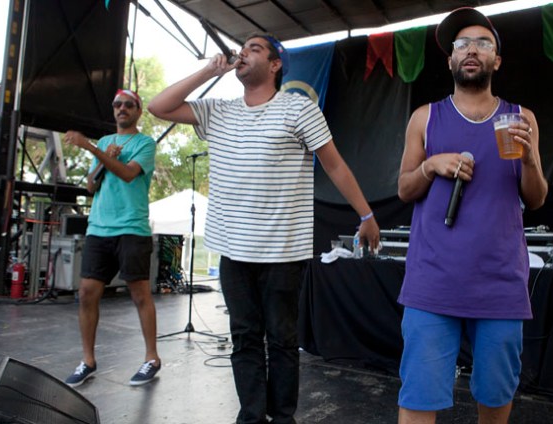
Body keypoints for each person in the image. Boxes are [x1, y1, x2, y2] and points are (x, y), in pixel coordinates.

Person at [147, 33, 380, 423]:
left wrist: (367, 215)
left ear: (275, 65)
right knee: (244, 338)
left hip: (282, 252)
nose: (243, 53)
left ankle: (283, 418)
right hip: (233, 251)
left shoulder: (298, 108)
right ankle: (252, 417)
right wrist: (208, 71)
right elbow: (158, 106)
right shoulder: (218, 111)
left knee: (283, 340)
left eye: (254, 49)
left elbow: (334, 164)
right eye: (243, 48)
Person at [396, 7, 548, 424]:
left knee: (496, 397)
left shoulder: (522, 118)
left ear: (496, 60)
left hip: (500, 282)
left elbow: (536, 199)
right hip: (432, 281)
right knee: (419, 395)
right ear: (450, 59)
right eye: (461, 44)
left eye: (483, 43)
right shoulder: (425, 117)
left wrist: (530, 160)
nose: (471, 50)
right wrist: (430, 166)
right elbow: (404, 189)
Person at [63, 89, 161, 387]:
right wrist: (103, 157)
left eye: (129, 105)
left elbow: (129, 174)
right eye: (117, 104)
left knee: (139, 294)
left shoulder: (145, 143)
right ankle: (88, 360)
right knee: (86, 293)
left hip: (131, 228)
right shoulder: (106, 142)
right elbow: (91, 186)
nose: (122, 108)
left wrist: (92, 148)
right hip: (99, 228)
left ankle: (152, 358)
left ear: (138, 111)